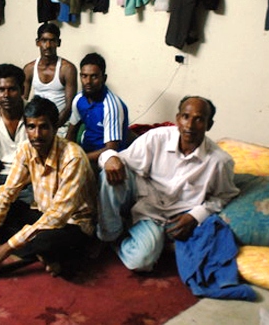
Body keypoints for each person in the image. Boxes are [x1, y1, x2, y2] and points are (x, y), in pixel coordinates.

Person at [97, 96, 239, 271]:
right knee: (111, 173)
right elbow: (120, 159)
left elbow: (224, 196)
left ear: (209, 125)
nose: (190, 125)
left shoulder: (220, 162)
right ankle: (108, 236)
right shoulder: (157, 137)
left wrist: (196, 215)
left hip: (160, 215)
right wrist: (110, 157)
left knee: (142, 261)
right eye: (186, 117)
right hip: (139, 193)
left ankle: (122, 237)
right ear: (178, 119)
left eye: (199, 119)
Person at [0, 96, 96, 277]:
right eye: (31, 127)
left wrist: (7, 247)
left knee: (45, 240)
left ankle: (46, 253)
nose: (37, 134)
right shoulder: (26, 148)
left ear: (55, 128)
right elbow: (7, 193)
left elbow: (58, 215)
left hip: (72, 224)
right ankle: (42, 255)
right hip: (42, 215)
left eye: (44, 127)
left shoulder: (73, 157)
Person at [0, 64, 33, 203]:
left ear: (22, 90)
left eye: (12, 89)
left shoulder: (36, 116)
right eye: (1, 90)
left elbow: (46, 162)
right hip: (4, 179)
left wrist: (17, 187)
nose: (6, 95)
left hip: (32, 177)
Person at [66, 52, 129, 166]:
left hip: (108, 159)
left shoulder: (111, 106)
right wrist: (66, 155)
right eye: (84, 76)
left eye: (94, 76)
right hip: (85, 152)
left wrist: (78, 159)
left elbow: (111, 149)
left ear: (104, 78)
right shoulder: (79, 99)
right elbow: (71, 132)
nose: (88, 82)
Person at [23, 22, 78, 136]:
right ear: (37, 42)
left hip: (60, 126)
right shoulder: (29, 69)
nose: (48, 45)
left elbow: (69, 106)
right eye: (44, 40)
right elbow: (22, 101)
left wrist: (51, 128)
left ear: (58, 43)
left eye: (52, 41)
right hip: (35, 124)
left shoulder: (67, 69)